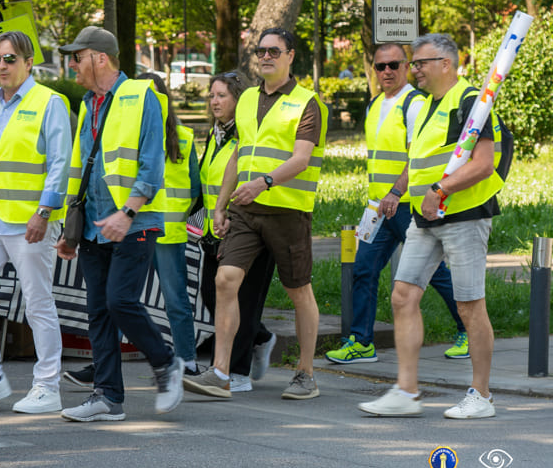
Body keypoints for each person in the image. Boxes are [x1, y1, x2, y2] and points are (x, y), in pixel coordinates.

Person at [359, 33, 505, 420]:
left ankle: (482, 395)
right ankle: (406, 391)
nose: (415, 70)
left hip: (464, 215)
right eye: (414, 63)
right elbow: (418, 160)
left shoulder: (471, 102)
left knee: (469, 306)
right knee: (403, 296)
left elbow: (484, 163)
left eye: (420, 63)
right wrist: (399, 191)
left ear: (445, 63)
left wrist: (440, 190)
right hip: (424, 217)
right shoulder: (425, 105)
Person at [54, 26, 183, 422]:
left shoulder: (143, 97)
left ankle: (166, 363)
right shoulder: (86, 105)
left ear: (100, 58)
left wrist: (127, 212)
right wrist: (70, 228)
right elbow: (81, 167)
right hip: (94, 225)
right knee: (97, 310)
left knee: (119, 300)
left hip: (135, 221)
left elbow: (151, 165)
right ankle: (107, 397)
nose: (72, 65)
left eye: (77, 57)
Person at [200, 28, 327, 401]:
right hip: (245, 211)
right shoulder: (247, 100)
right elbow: (238, 155)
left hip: (287, 211)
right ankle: (220, 372)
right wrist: (220, 205)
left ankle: (306, 374)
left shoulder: (307, 103)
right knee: (225, 280)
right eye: (261, 51)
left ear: (291, 56)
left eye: (274, 51)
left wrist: (264, 182)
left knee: (298, 290)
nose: (266, 56)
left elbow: (301, 159)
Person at [326, 44, 467, 365]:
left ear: (405, 67)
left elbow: (416, 158)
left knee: (434, 273)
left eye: (394, 65)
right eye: (380, 66)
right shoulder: (375, 104)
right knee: (363, 270)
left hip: (405, 205)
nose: (387, 71)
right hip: (378, 208)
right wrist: (379, 198)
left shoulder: (414, 104)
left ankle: (468, 330)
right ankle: (362, 343)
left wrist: (395, 192)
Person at [0, 31, 72, 414]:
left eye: (9, 59)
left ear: (28, 62)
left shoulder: (49, 102)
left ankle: (47, 387)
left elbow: (61, 164)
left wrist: (44, 211)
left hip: (30, 222)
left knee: (38, 303)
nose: (1, 66)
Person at [185, 72, 277, 398]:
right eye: (211, 95)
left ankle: (236, 371)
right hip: (215, 229)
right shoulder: (216, 134)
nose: (214, 101)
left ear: (239, 99)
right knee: (212, 295)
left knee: (244, 300)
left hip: (248, 228)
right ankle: (260, 338)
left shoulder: (247, 134)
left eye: (222, 95)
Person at [137, 72, 201, 375]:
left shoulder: (182, 137)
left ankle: (185, 359)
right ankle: (182, 360)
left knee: (172, 299)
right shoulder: (133, 135)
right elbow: (194, 189)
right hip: (147, 228)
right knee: (127, 299)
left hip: (156, 230)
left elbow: (195, 188)